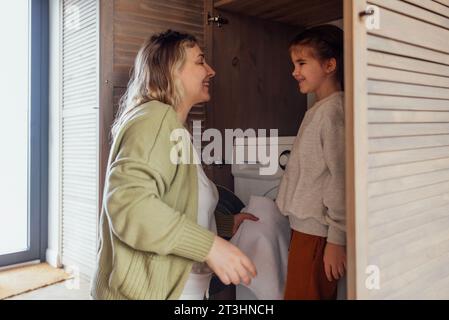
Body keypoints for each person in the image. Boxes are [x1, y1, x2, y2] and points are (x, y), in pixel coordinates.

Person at [90, 30, 258, 300]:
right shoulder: (155, 119)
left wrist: (225, 225)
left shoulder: (176, 130)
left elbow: (178, 203)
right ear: (172, 70)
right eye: (200, 61)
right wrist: (211, 247)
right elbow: (129, 206)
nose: (211, 70)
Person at [276, 24, 346, 300]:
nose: (295, 71)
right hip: (305, 231)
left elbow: (341, 179)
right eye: (294, 63)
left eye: (302, 63)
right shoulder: (319, 110)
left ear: (330, 65)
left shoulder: (333, 112)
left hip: (317, 236)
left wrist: (336, 240)